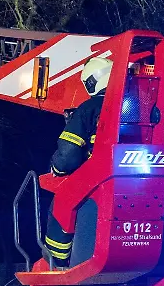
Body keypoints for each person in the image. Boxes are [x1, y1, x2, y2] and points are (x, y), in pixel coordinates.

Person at [43, 55, 112, 267]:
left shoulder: (89, 109)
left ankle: (58, 262)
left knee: (63, 202)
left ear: (91, 82)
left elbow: (67, 155)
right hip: (139, 176)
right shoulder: (139, 102)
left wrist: (57, 168)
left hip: (96, 179)